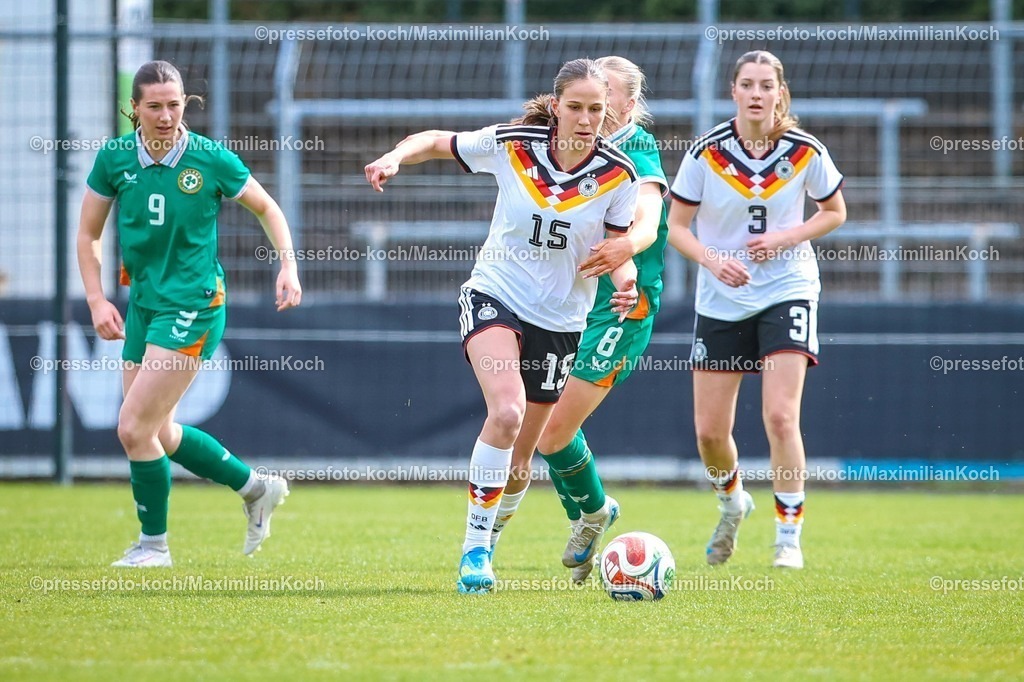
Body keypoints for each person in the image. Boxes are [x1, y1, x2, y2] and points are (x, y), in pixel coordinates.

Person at [364, 58, 641, 594]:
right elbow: (436, 140)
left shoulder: (618, 174)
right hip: (495, 294)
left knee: (520, 461)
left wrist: (625, 279)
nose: (585, 119)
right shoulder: (514, 144)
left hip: (562, 321)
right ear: (557, 106)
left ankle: (496, 538)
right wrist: (395, 157)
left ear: (607, 114)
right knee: (507, 410)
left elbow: (617, 247)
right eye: (576, 107)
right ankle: (474, 552)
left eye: (596, 110)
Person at [77, 60, 300, 567]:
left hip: (195, 304)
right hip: (144, 304)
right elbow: (87, 235)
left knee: (133, 428)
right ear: (134, 108)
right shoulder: (114, 159)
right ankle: (255, 487)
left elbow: (268, 207)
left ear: (186, 105)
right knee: (160, 432)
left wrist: (288, 266)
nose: (164, 115)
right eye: (153, 106)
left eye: (174, 105)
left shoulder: (209, 159)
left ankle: (154, 546)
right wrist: (95, 298)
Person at [486, 56, 670, 584]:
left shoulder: (635, 148)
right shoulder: (565, 143)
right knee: (535, 436)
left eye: (606, 97)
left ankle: (585, 516)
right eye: (586, 100)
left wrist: (625, 252)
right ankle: (591, 514)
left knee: (554, 431)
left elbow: (648, 219)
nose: (594, 109)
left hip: (620, 307)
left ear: (629, 104)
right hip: (564, 303)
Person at [667, 50, 847, 569]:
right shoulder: (705, 153)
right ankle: (732, 503)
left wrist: (789, 236)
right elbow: (677, 228)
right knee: (709, 432)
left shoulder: (805, 151)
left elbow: (835, 212)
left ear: (778, 93)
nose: (755, 93)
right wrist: (714, 261)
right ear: (733, 92)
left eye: (765, 85)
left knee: (780, 415)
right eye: (747, 84)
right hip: (723, 297)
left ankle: (788, 536)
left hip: (787, 287)